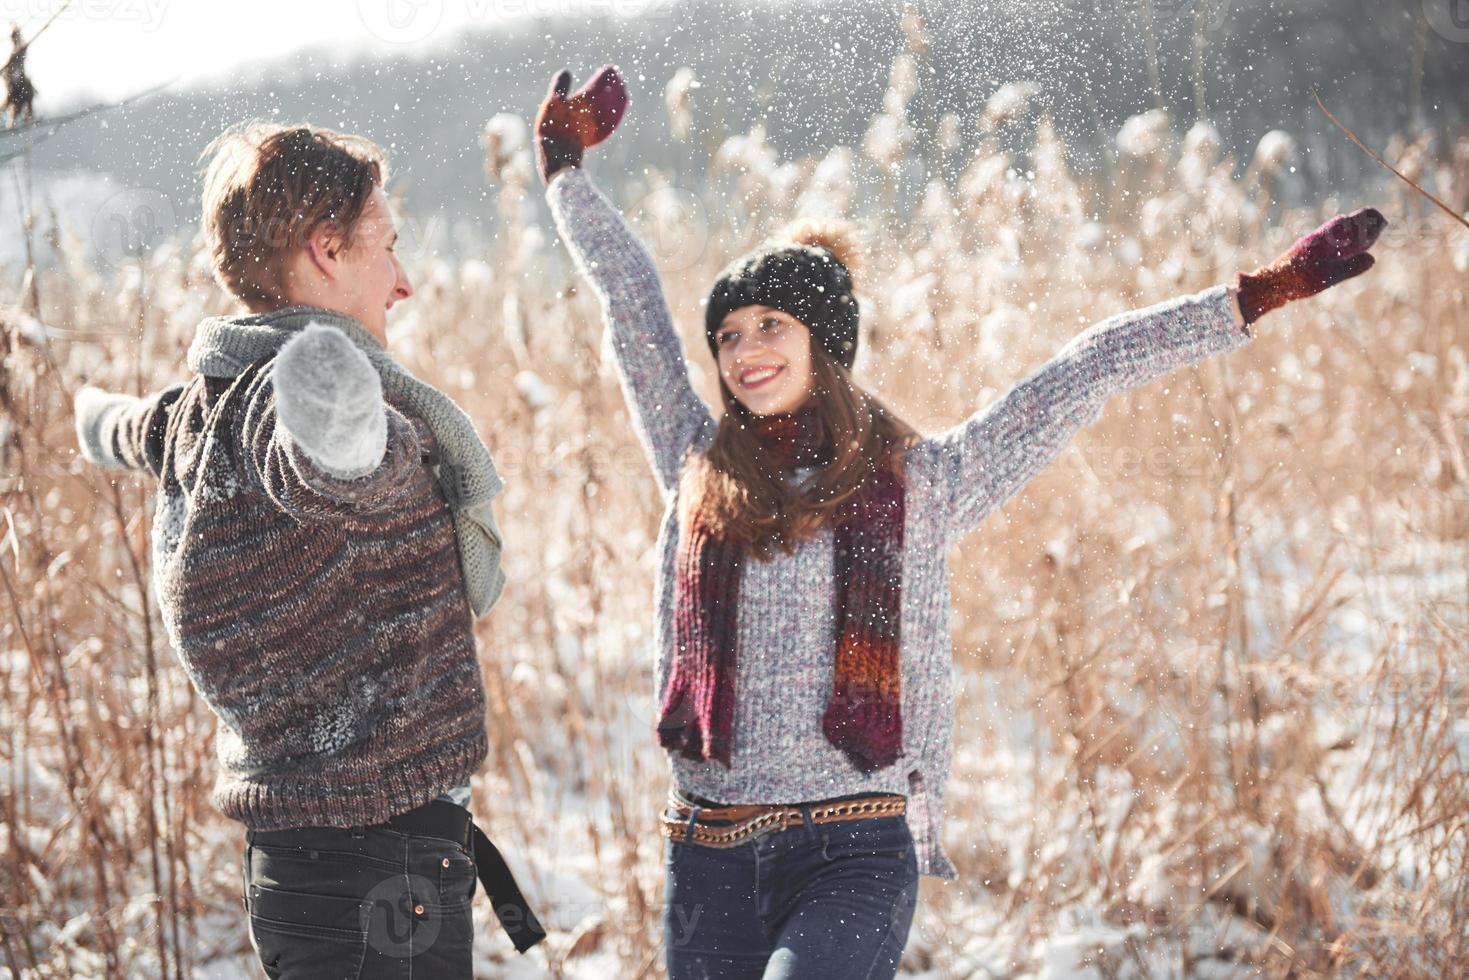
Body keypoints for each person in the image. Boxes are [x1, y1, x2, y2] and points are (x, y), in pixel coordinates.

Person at [537, 66, 1387, 979]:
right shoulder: (694, 465)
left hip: (852, 847)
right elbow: (629, 304)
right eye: (730, 333)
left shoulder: (924, 482)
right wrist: (562, 169)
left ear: (825, 342)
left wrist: (1258, 294)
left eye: (772, 325)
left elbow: (1085, 369)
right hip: (706, 851)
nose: (746, 351)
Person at [72, 121, 543, 978]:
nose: (402, 282)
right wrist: (345, 425)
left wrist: (93, 417)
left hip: (298, 862)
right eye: (386, 247)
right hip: (377, 864)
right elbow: (328, 468)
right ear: (326, 250)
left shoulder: (197, 410)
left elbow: (128, 429)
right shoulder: (287, 405)